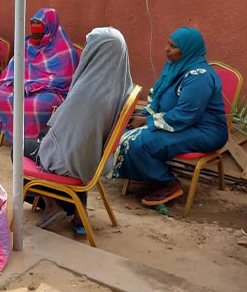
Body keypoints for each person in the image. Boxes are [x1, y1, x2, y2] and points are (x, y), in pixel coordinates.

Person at [21, 27, 132, 233]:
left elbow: (64, 135)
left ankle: (53, 205)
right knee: (50, 141)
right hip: (96, 158)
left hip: (76, 160)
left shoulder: (89, 92)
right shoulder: (123, 86)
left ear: (97, 52)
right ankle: (78, 211)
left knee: (20, 147)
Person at [112, 27, 228, 205]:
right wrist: (142, 115)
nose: (167, 49)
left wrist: (148, 121)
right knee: (123, 132)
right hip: (180, 123)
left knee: (138, 142)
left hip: (204, 130)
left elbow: (185, 115)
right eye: (168, 43)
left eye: (173, 46)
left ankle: (168, 183)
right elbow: (158, 98)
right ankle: (149, 174)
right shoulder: (174, 67)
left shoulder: (200, 77)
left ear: (187, 49)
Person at [0, 8, 79, 141]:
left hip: (51, 91)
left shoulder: (64, 49)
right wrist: (14, 81)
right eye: (33, 23)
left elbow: (63, 80)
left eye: (39, 24)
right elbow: (14, 67)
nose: (34, 27)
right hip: (22, 86)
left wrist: (32, 86)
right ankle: (16, 136)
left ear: (49, 25)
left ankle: (29, 142)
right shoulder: (27, 44)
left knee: (34, 105)